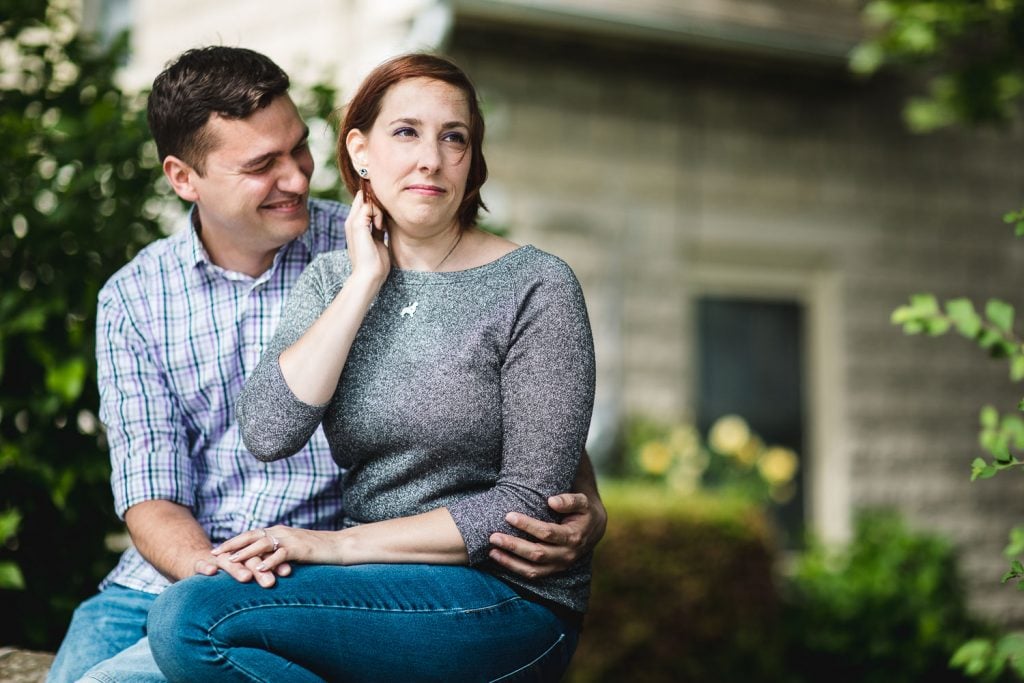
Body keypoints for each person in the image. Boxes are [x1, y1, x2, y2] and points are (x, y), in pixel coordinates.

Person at [47, 46, 606, 683]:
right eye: (262, 165)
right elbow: (187, 473)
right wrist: (361, 282)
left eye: (297, 150)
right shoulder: (147, 295)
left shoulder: (462, 254)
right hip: (221, 572)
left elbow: (534, 441)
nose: (294, 180)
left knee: (177, 638)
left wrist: (586, 500)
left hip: (350, 567)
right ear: (183, 178)